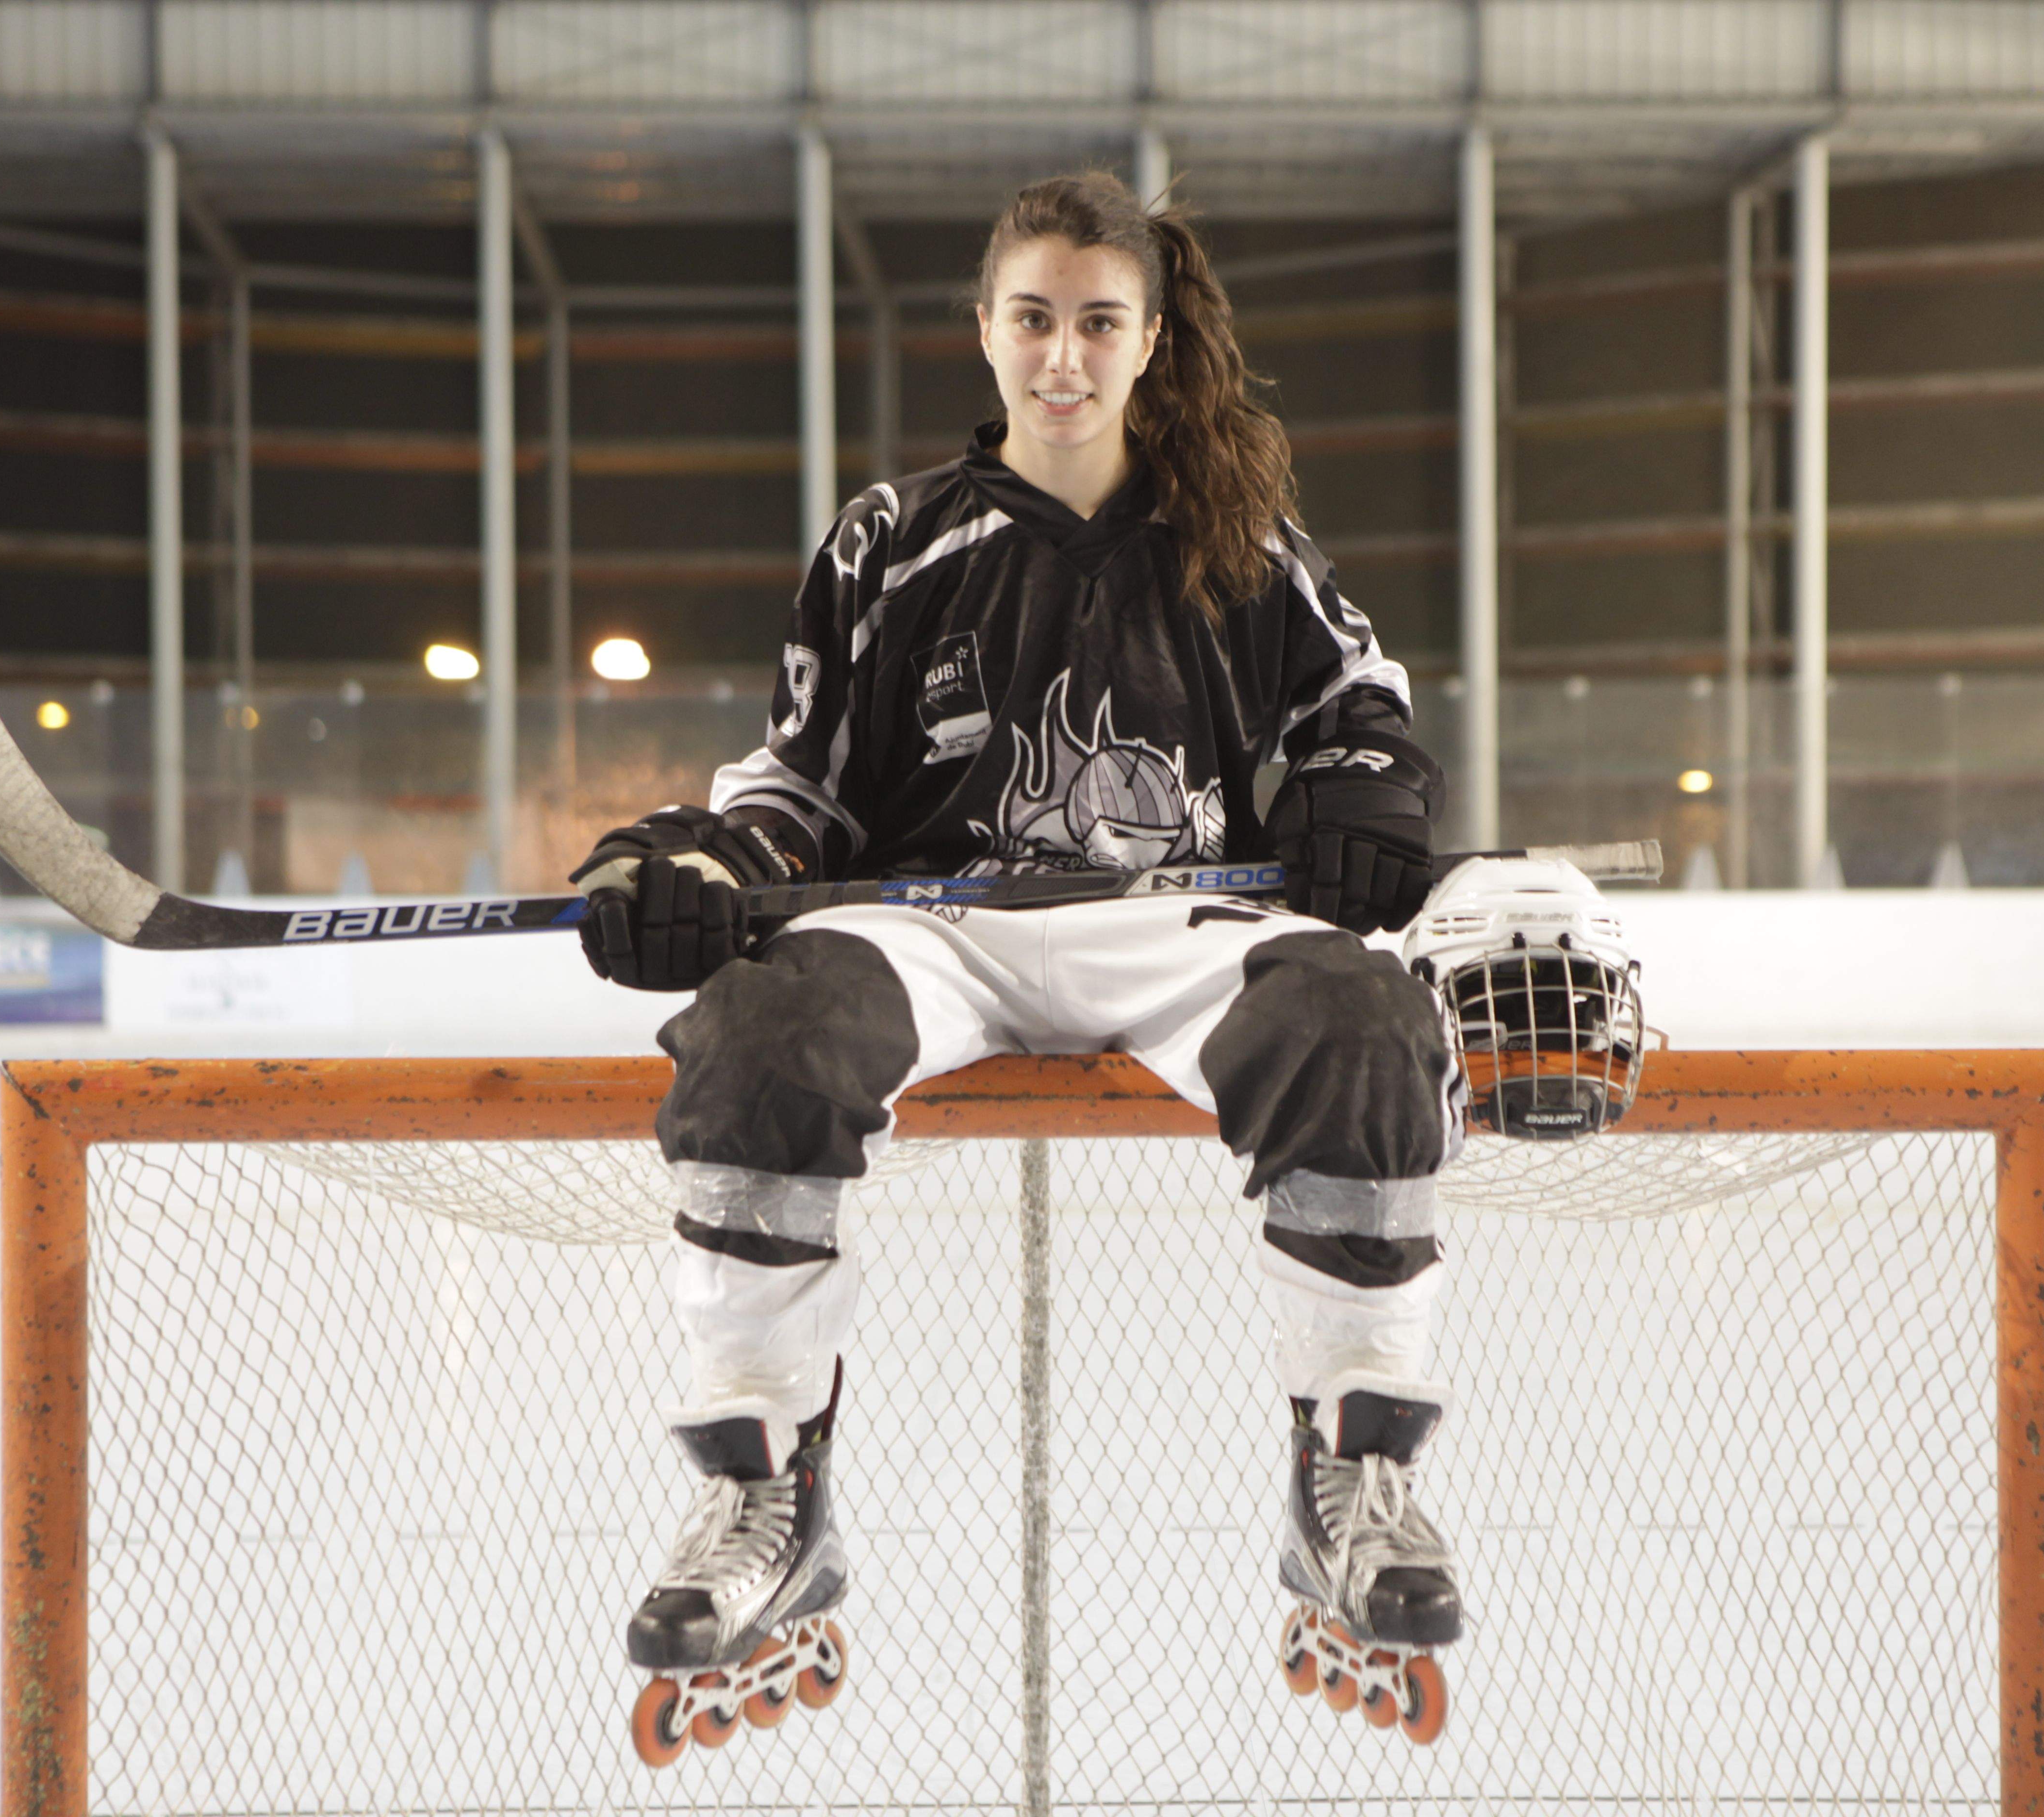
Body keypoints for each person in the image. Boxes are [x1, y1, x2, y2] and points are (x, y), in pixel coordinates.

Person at [577, 169, 1465, 1760]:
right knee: (763, 1036)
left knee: (1363, 1021)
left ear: (1148, 339)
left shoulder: (1242, 540)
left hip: (1183, 916)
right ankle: (763, 1493)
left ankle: (1357, 1469)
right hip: (939, 922)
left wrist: (1361, 793)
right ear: (984, 331)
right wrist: (707, 858)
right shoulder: (889, 541)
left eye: (1100, 323)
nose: (1066, 354)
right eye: (1036, 319)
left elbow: (1360, 709)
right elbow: (800, 783)